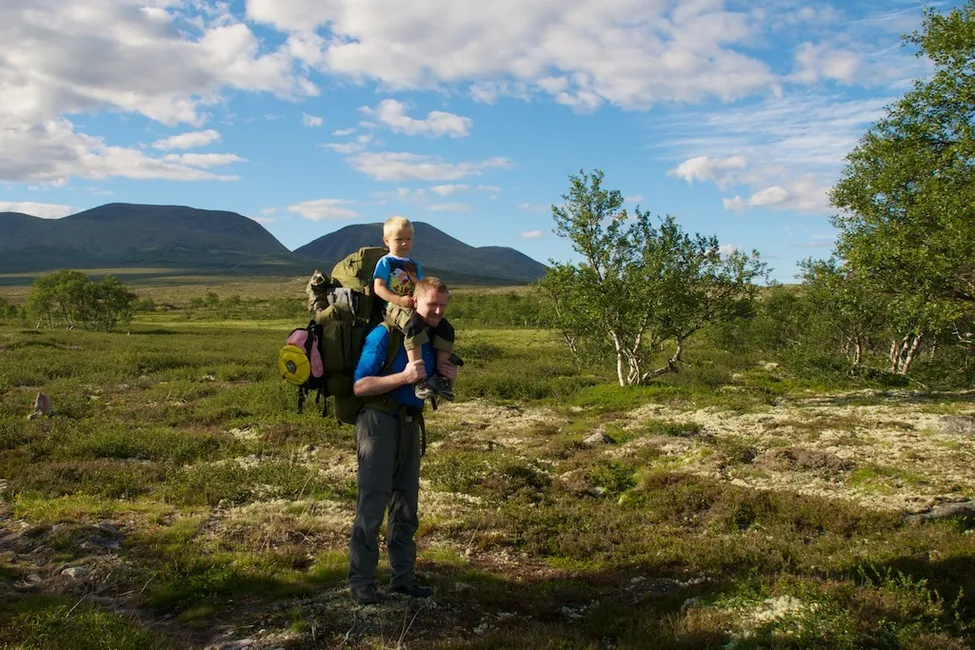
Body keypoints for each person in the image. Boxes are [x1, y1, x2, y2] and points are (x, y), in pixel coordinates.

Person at [347, 277, 459, 605]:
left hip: (410, 425)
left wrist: (446, 377)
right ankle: (362, 583)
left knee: (407, 506)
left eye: (443, 305)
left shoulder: (432, 339)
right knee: (372, 504)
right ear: (414, 301)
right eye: (431, 304)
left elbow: (429, 382)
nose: (437, 311)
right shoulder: (384, 335)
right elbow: (360, 387)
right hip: (378, 423)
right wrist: (404, 377)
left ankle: (403, 578)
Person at [372, 216, 455, 401]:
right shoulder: (385, 262)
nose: (404, 243)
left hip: (413, 304)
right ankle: (419, 378)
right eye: (398, 239)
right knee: (413, 324)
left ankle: (442, 377)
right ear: (387, 241)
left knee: (445, 327)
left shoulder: (414, 265)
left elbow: (420, 287)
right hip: (393, 307)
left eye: (408, 239)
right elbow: (378, 287)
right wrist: (399, 300)